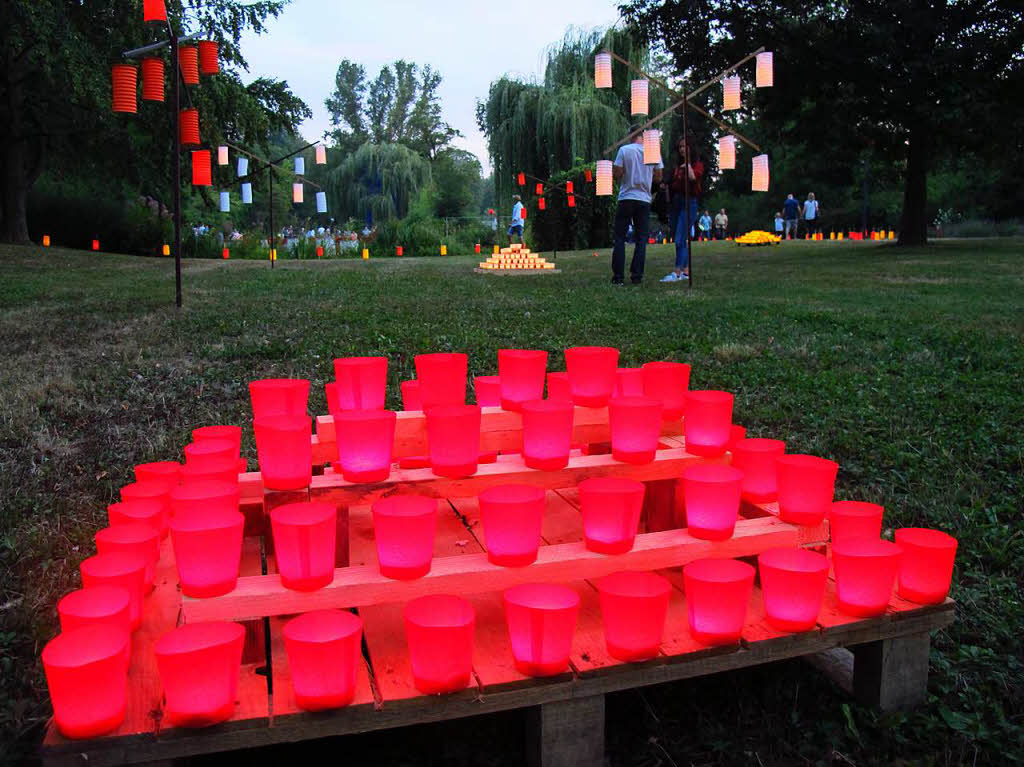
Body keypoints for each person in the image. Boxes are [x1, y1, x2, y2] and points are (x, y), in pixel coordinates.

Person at [611, 127, 663, 285]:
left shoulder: (624, 150)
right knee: (641, 239)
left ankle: (618, 277)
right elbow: (659, 178)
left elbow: (617, 175)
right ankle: (636, 276)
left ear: (631, 136)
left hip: (626, 197)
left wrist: (628, 171)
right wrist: (647, 175)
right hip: (644, 199)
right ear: (642, 136)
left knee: (619, 237)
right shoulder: (653, 152)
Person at [661, 137, 704, 282]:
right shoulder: (677, 167)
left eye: (684, 147)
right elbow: (673, 184)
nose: (682, 150)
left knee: (680, 238)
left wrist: (688, 166)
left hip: (689, 202)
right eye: (680, 147)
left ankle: (677, 272)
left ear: (690, 148)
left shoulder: (697, 165)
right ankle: (685, 271)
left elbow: (693, 178)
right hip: (677, 202)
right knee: (678, 238)